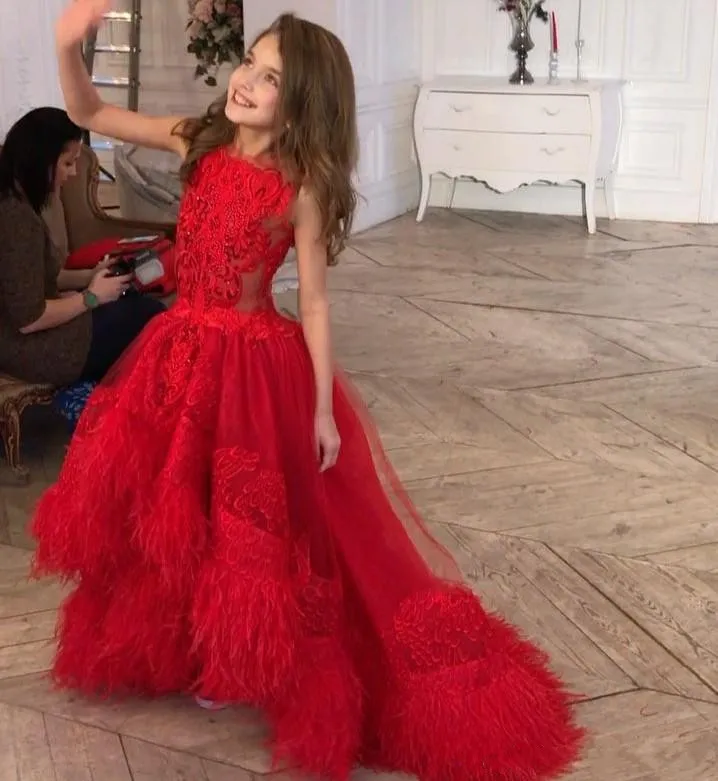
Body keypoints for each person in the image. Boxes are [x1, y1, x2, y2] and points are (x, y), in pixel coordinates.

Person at [31, 3, 584, 781]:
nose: (246, 82)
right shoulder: (199, 138)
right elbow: (88, 110)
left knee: (244, 521)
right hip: (177, 353)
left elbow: (316, 302)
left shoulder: (301, 187)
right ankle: (190, 647)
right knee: (171, 509)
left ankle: (238, 657)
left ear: (304, 103)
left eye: (271, 78)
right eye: (248, 64)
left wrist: (323, 408)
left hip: (254, 369)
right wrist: (65, 45)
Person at [0, 106, 166, 385]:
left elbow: (35, 276)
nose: (74, 172)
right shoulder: (16, 218)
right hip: (29, 349)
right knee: (153, 317)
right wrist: (90, 297)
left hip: (29, 336)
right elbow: (29, 319)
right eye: (67, 163)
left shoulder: (17, 200)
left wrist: (89, 277)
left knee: (135, 304)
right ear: (40, 160)